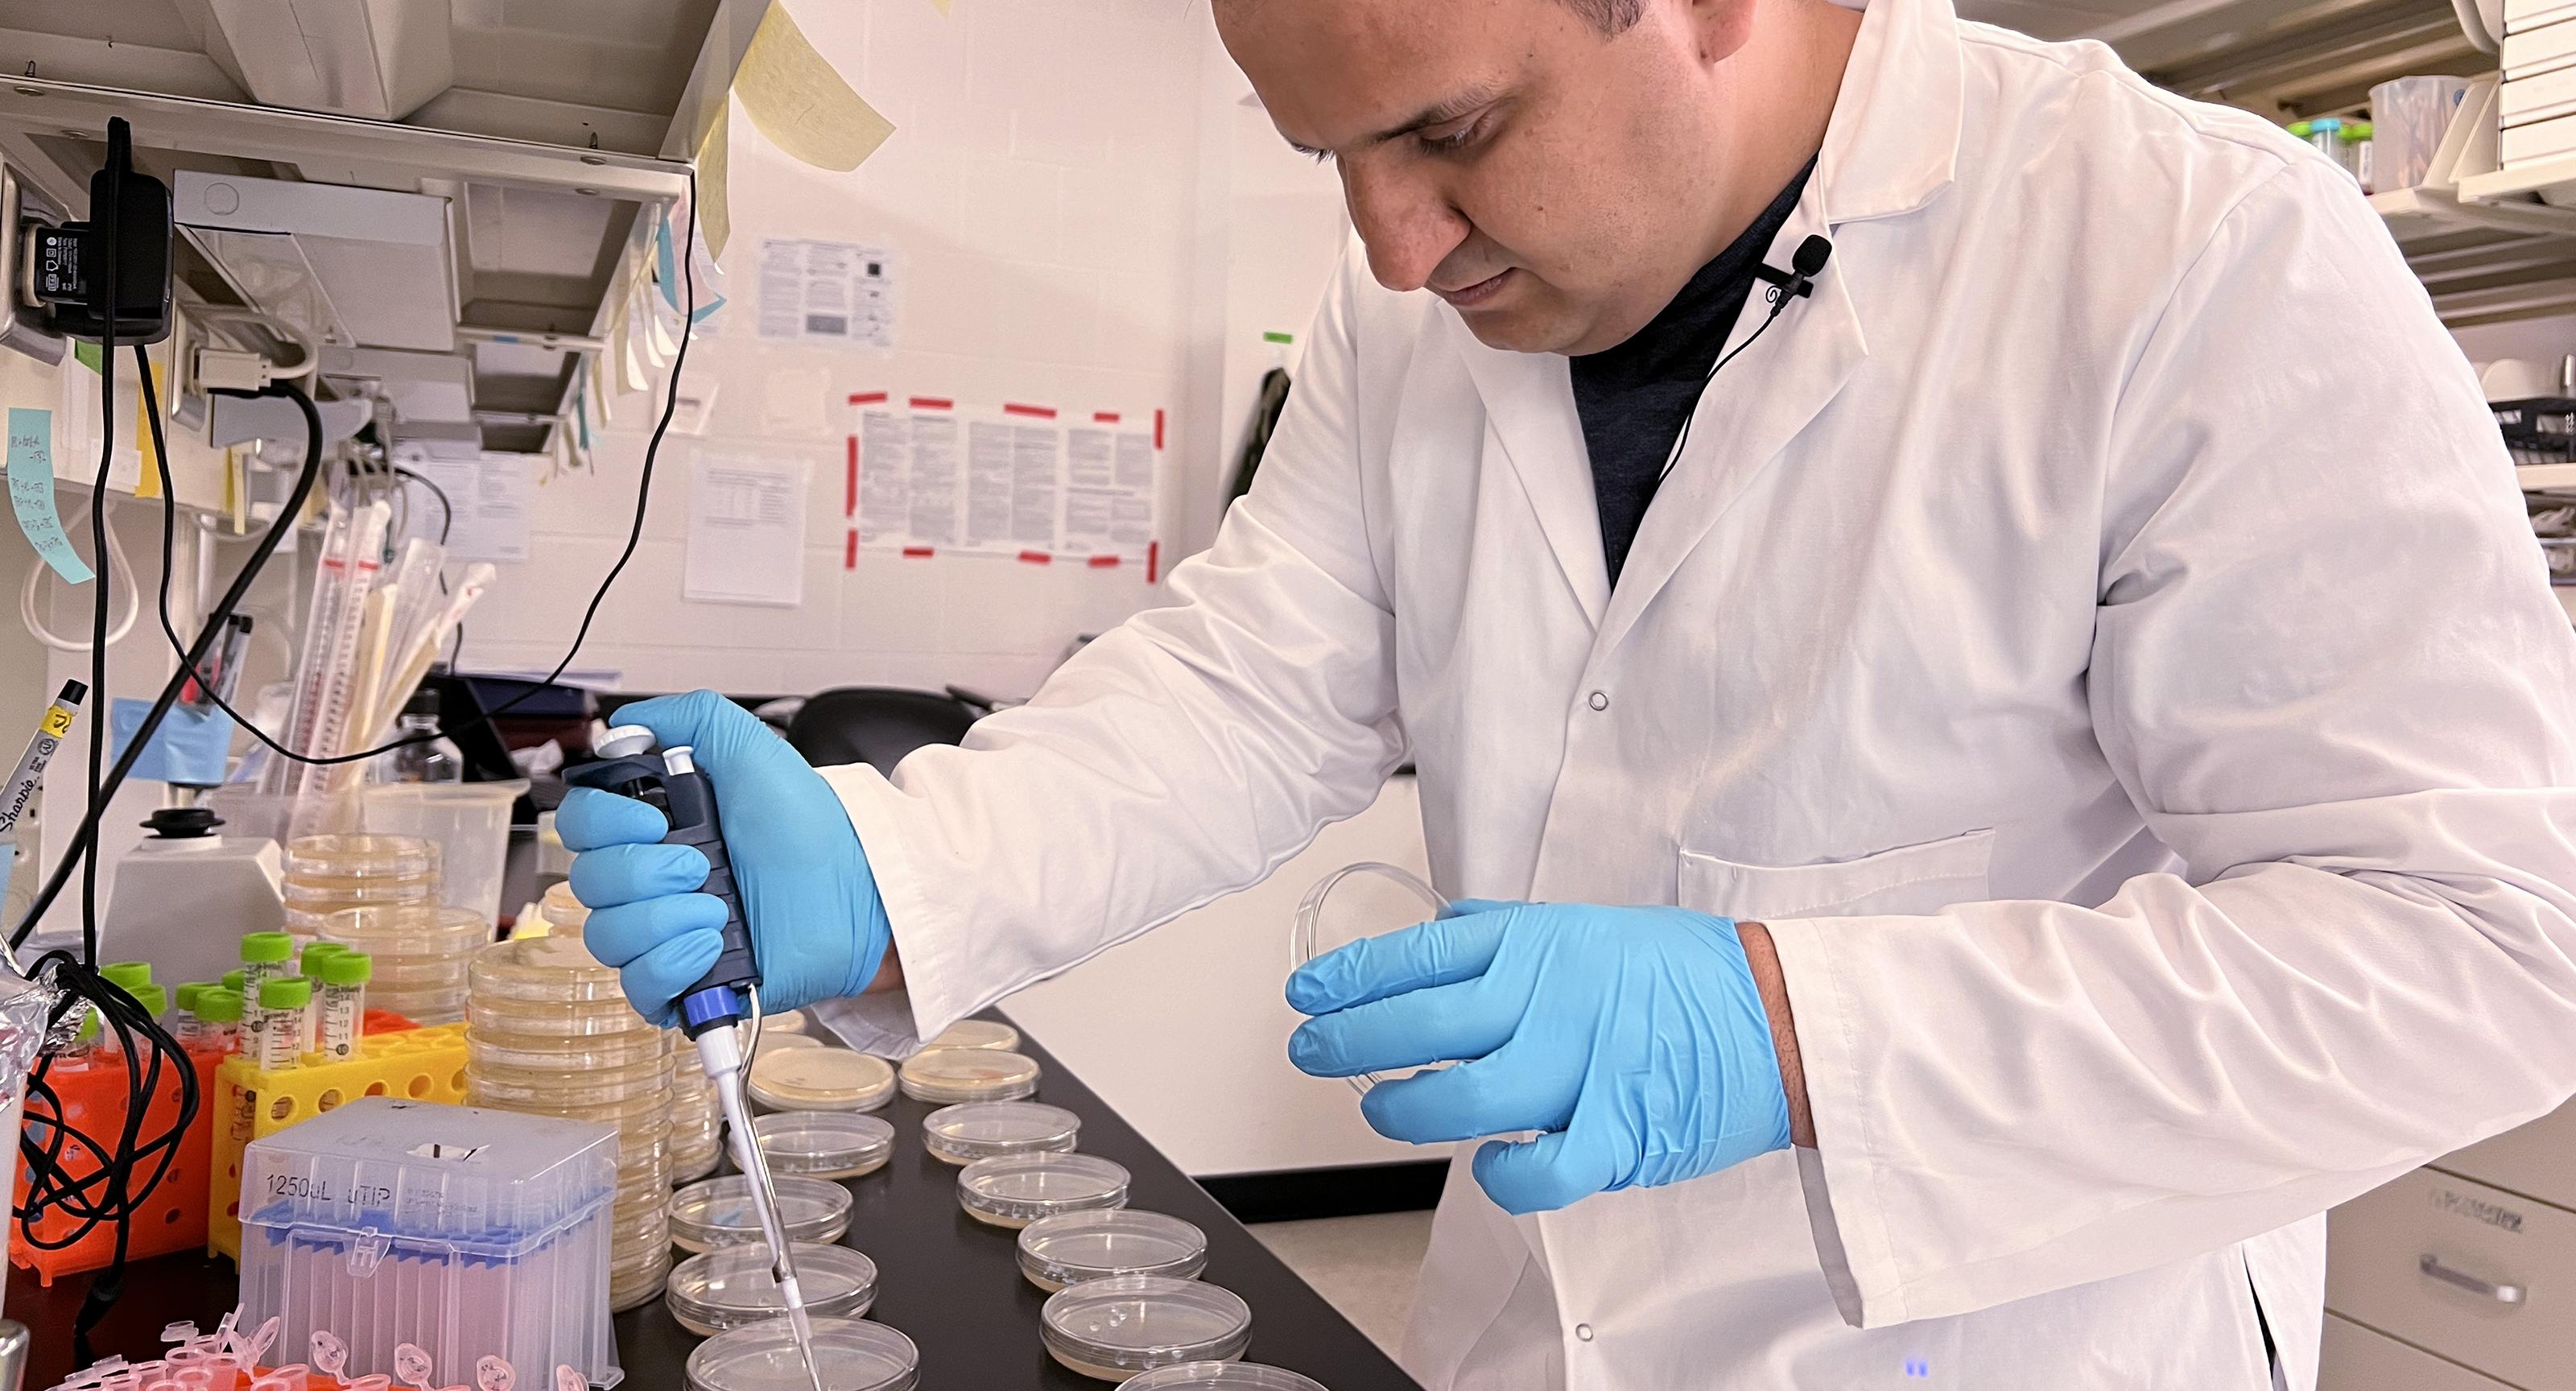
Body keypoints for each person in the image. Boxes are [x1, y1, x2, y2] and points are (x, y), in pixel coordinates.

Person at [559, 0, 2576, 1385]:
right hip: (1526, 1334)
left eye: (1446, 129)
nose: (1391, 237)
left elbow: (2484, 941)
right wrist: (900, 858)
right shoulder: (1409, 318)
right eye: (1328, 150)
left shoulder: (2187, 257)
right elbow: (1254, 687)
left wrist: (1793, 1033)